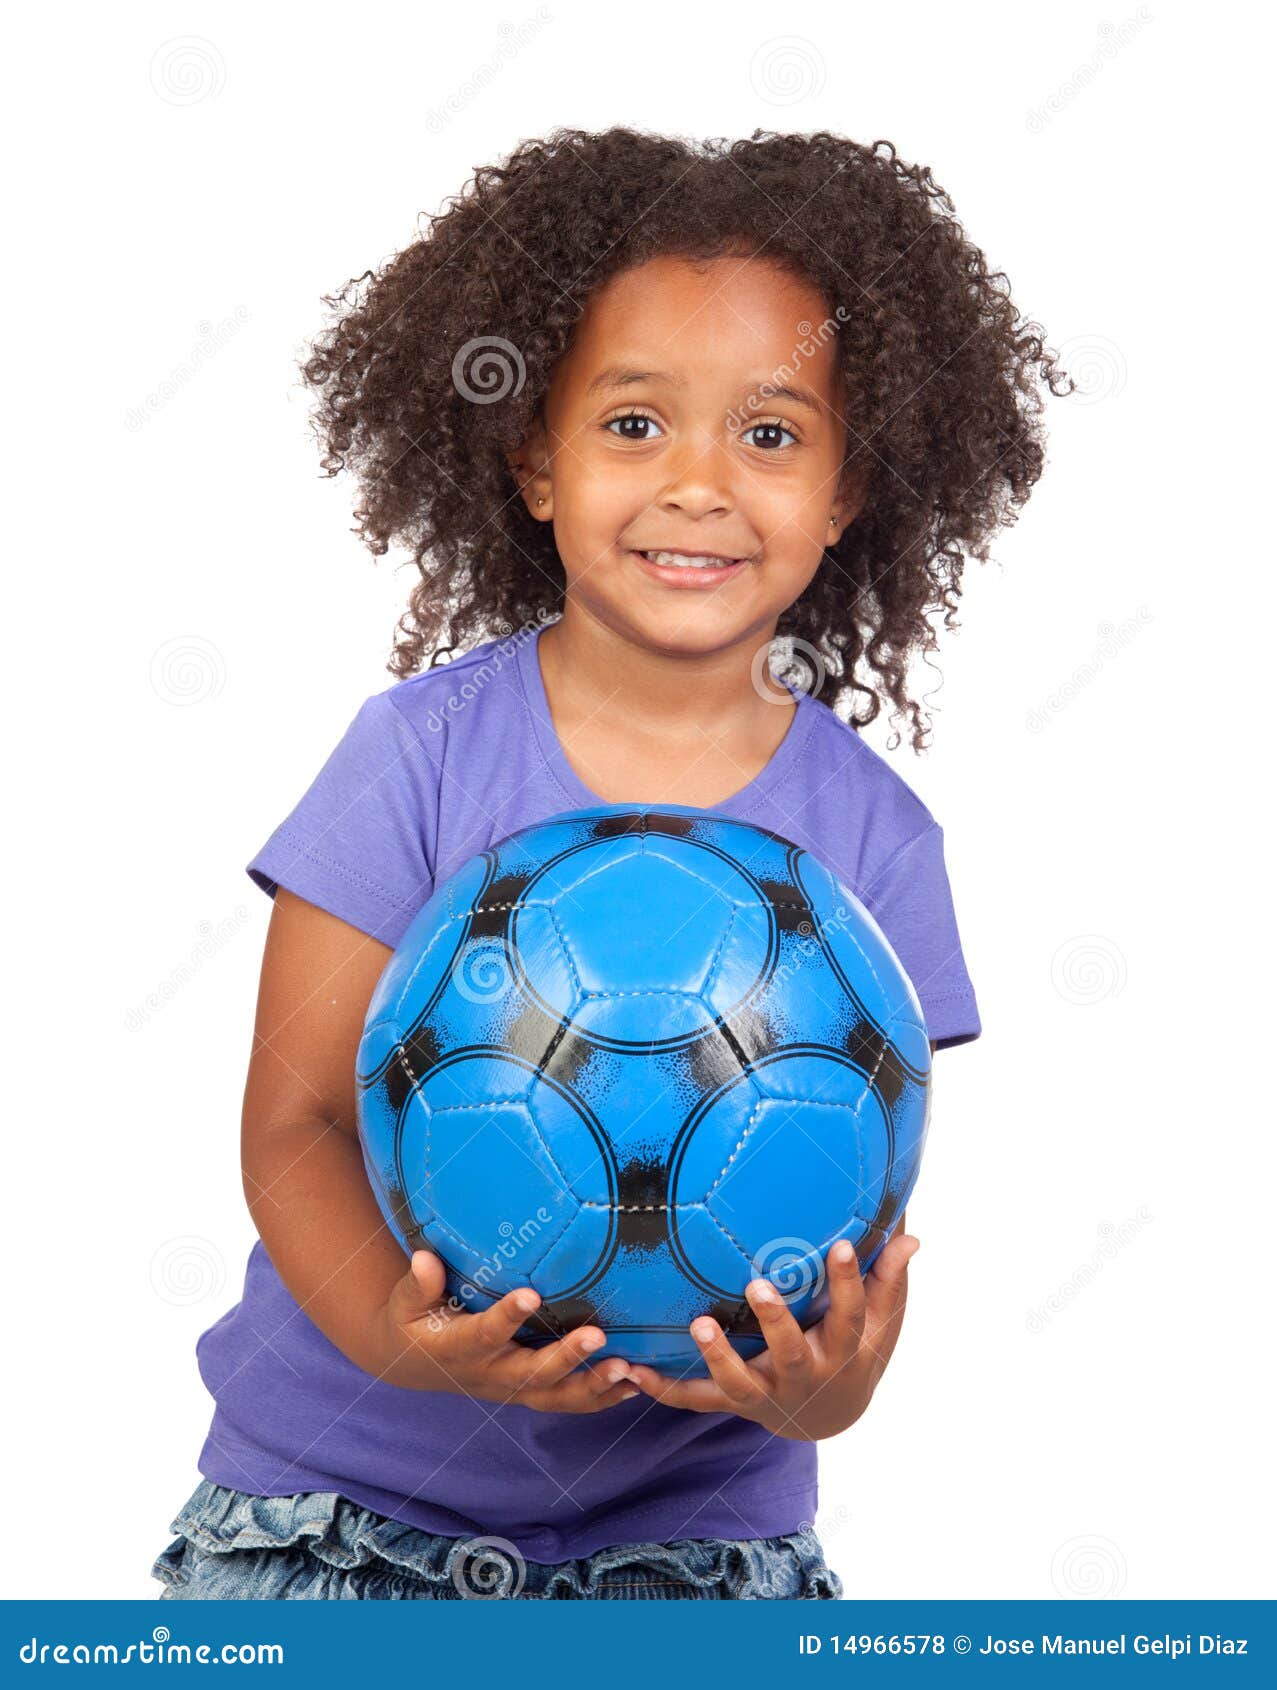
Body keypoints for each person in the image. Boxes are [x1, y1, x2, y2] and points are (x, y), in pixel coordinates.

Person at [152, 126, 1066, 1601]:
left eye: (768, 434)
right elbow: (294, 1122)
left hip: (698, 1549)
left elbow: (854, 1250)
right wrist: (406, 1342)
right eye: (633, 424)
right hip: (337, 1518)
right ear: (533, 460)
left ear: (844, 495)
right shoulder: (419, 755)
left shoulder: (873, 838)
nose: (697, 483)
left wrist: (819, 1390)